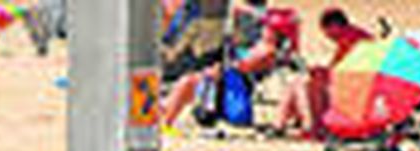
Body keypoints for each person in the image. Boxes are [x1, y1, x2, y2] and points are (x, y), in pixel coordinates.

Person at [160, 8, 292, 128]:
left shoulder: (267, 50)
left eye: (267, 27)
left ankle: (166, 122)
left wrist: (221, 67)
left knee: (188, 82)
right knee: (188, 82)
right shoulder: (259, 46)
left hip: (233, 89)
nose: (263, 29)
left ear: (274, 32)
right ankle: (165, 114)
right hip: (227, 84)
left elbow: (243, 67)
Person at [274, 6, 373, 140]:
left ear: (334, 26)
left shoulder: (351, 40)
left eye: (328, 32)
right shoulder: (352, 37)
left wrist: (321, 73)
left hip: (357, 89)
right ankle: (283, 124)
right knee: (299, 82)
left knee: (304, 84)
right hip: (357, 83)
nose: (328, 37)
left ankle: (307, 126)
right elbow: (338, 67)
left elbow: (344, 70)